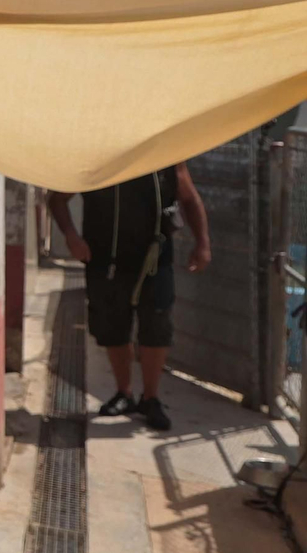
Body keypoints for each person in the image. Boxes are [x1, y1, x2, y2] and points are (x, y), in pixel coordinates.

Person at [47, 165, 211, 431]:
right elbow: (57, 199)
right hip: (105, 259)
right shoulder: (99, 154)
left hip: (154, 259)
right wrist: (71, 236)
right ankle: (124, 393)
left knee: (157, 324)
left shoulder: (166, 155)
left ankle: (151, 398)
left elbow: (189, 198)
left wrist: (202, 243)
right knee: (113, 326)